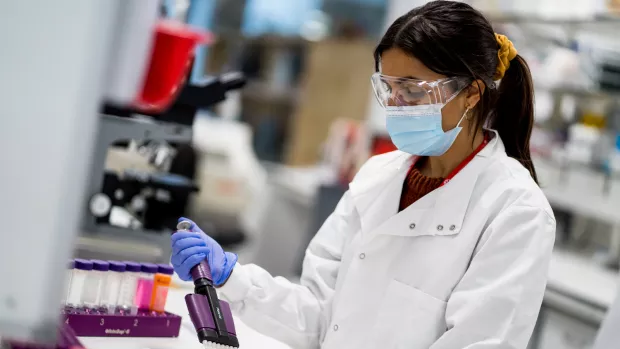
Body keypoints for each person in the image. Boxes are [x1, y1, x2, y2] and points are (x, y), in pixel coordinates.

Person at [170, 1, 556, 348]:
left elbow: (481, 343)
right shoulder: (378, 176)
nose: (398, 106)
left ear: (471, 94)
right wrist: (232, 278)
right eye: (388, 89)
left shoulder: (516, 210)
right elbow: (320, 317)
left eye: (414, 91)